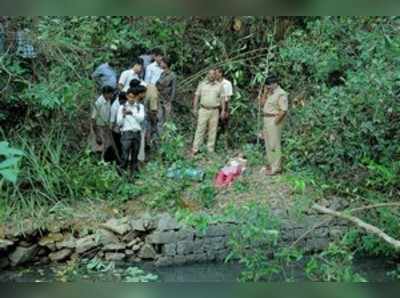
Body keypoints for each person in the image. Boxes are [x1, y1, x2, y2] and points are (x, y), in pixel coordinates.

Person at [259, 75, 289, 176]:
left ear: (274, 84)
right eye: (267, 86)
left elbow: (283, 110)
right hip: (266, 118)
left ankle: (276, 168)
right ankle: (271, 165)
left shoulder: (281, 93)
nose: (268, 87)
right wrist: (265, 92)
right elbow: (262, 104)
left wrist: (275, 122)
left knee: (274, 144)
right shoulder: (269, 93)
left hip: (273, 119)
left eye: (269, 86)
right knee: (268, 143)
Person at [191, 69, 226, 156]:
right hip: (203, 109)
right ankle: (195, 149)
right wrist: (194, 108)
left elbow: (222, 99)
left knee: (212, 131)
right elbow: (197, 96)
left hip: (215, 110)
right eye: (209, 74)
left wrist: (223, 110)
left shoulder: (219, 86)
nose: (211, 76)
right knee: (200, 129)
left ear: (215, 75)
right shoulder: (202, 84)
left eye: (213, 74)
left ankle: (210, 150)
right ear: (207, 75)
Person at [117, 85, 146, 175]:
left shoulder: (140, 107)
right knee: (125, 156)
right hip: (126, 133)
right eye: (130, 97)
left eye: (133, 97)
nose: (131, 99)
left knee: (135, 156)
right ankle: (121, 173)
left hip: (137, 133)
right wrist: (123, 115)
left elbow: (141, 118)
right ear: (127, 96)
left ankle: (133, 175)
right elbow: (119, 122)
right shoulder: (122, 107)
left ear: (136, 97)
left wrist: (132, 113)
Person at [91, 85, 115, 159]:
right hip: (99, 126)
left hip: (105, 126)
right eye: (111, 94)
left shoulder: (108, 100)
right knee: (98, 145)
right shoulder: (99, 103)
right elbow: (93, 118)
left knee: (105, 144)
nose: (112, 95)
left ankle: (103, 160)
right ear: (106, 93)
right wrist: (97, 133)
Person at [215, 68, 233, 147]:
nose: (215, 75)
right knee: (214, 125)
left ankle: (225, 145)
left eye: (216, 73)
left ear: (221, 73)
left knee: (225, 125)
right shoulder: (214, 83)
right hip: (215, 105)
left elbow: (228, 97)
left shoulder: (227, 83)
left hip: (224, 105)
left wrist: (226, 110)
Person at [156, 56, 177, 123]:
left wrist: (170, 101)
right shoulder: (162, 74)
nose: (160, 64)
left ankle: (165, 133)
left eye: (162, 62)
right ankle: (160, 133)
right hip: (159, 99)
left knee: (167, 120)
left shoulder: (172, 75)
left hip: (167, 100)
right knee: (159, 119)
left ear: (165, 64)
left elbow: (173, 89)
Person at [110, 91, 128, 161]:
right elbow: (111, 121)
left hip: (123, 130)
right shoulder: (114, 107)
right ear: (121, 100)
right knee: (118, 147)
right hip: (116, 131)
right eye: (124, 102)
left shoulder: (123, 104)